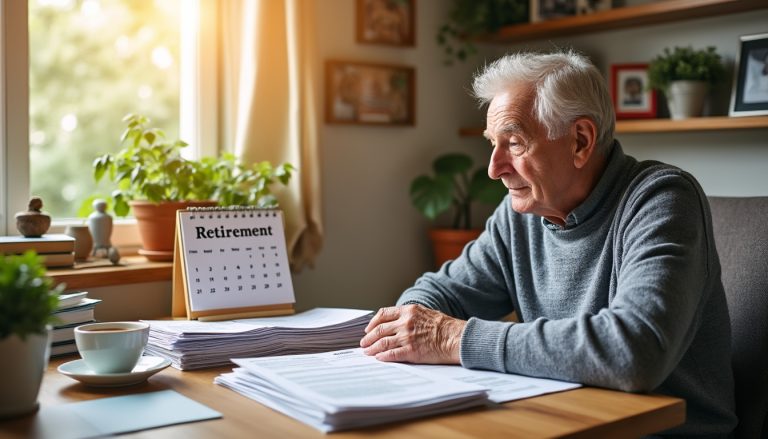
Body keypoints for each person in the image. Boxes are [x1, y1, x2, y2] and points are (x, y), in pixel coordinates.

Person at [360, 50, 737, 437]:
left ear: (580, 140)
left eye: (515, 143)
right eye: (493, 143)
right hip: (564, 421)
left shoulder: (661, 199)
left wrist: (451, 337)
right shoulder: (520, 214)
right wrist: (411, 326)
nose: (494, 168)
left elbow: (633, 351)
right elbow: (438, 293)